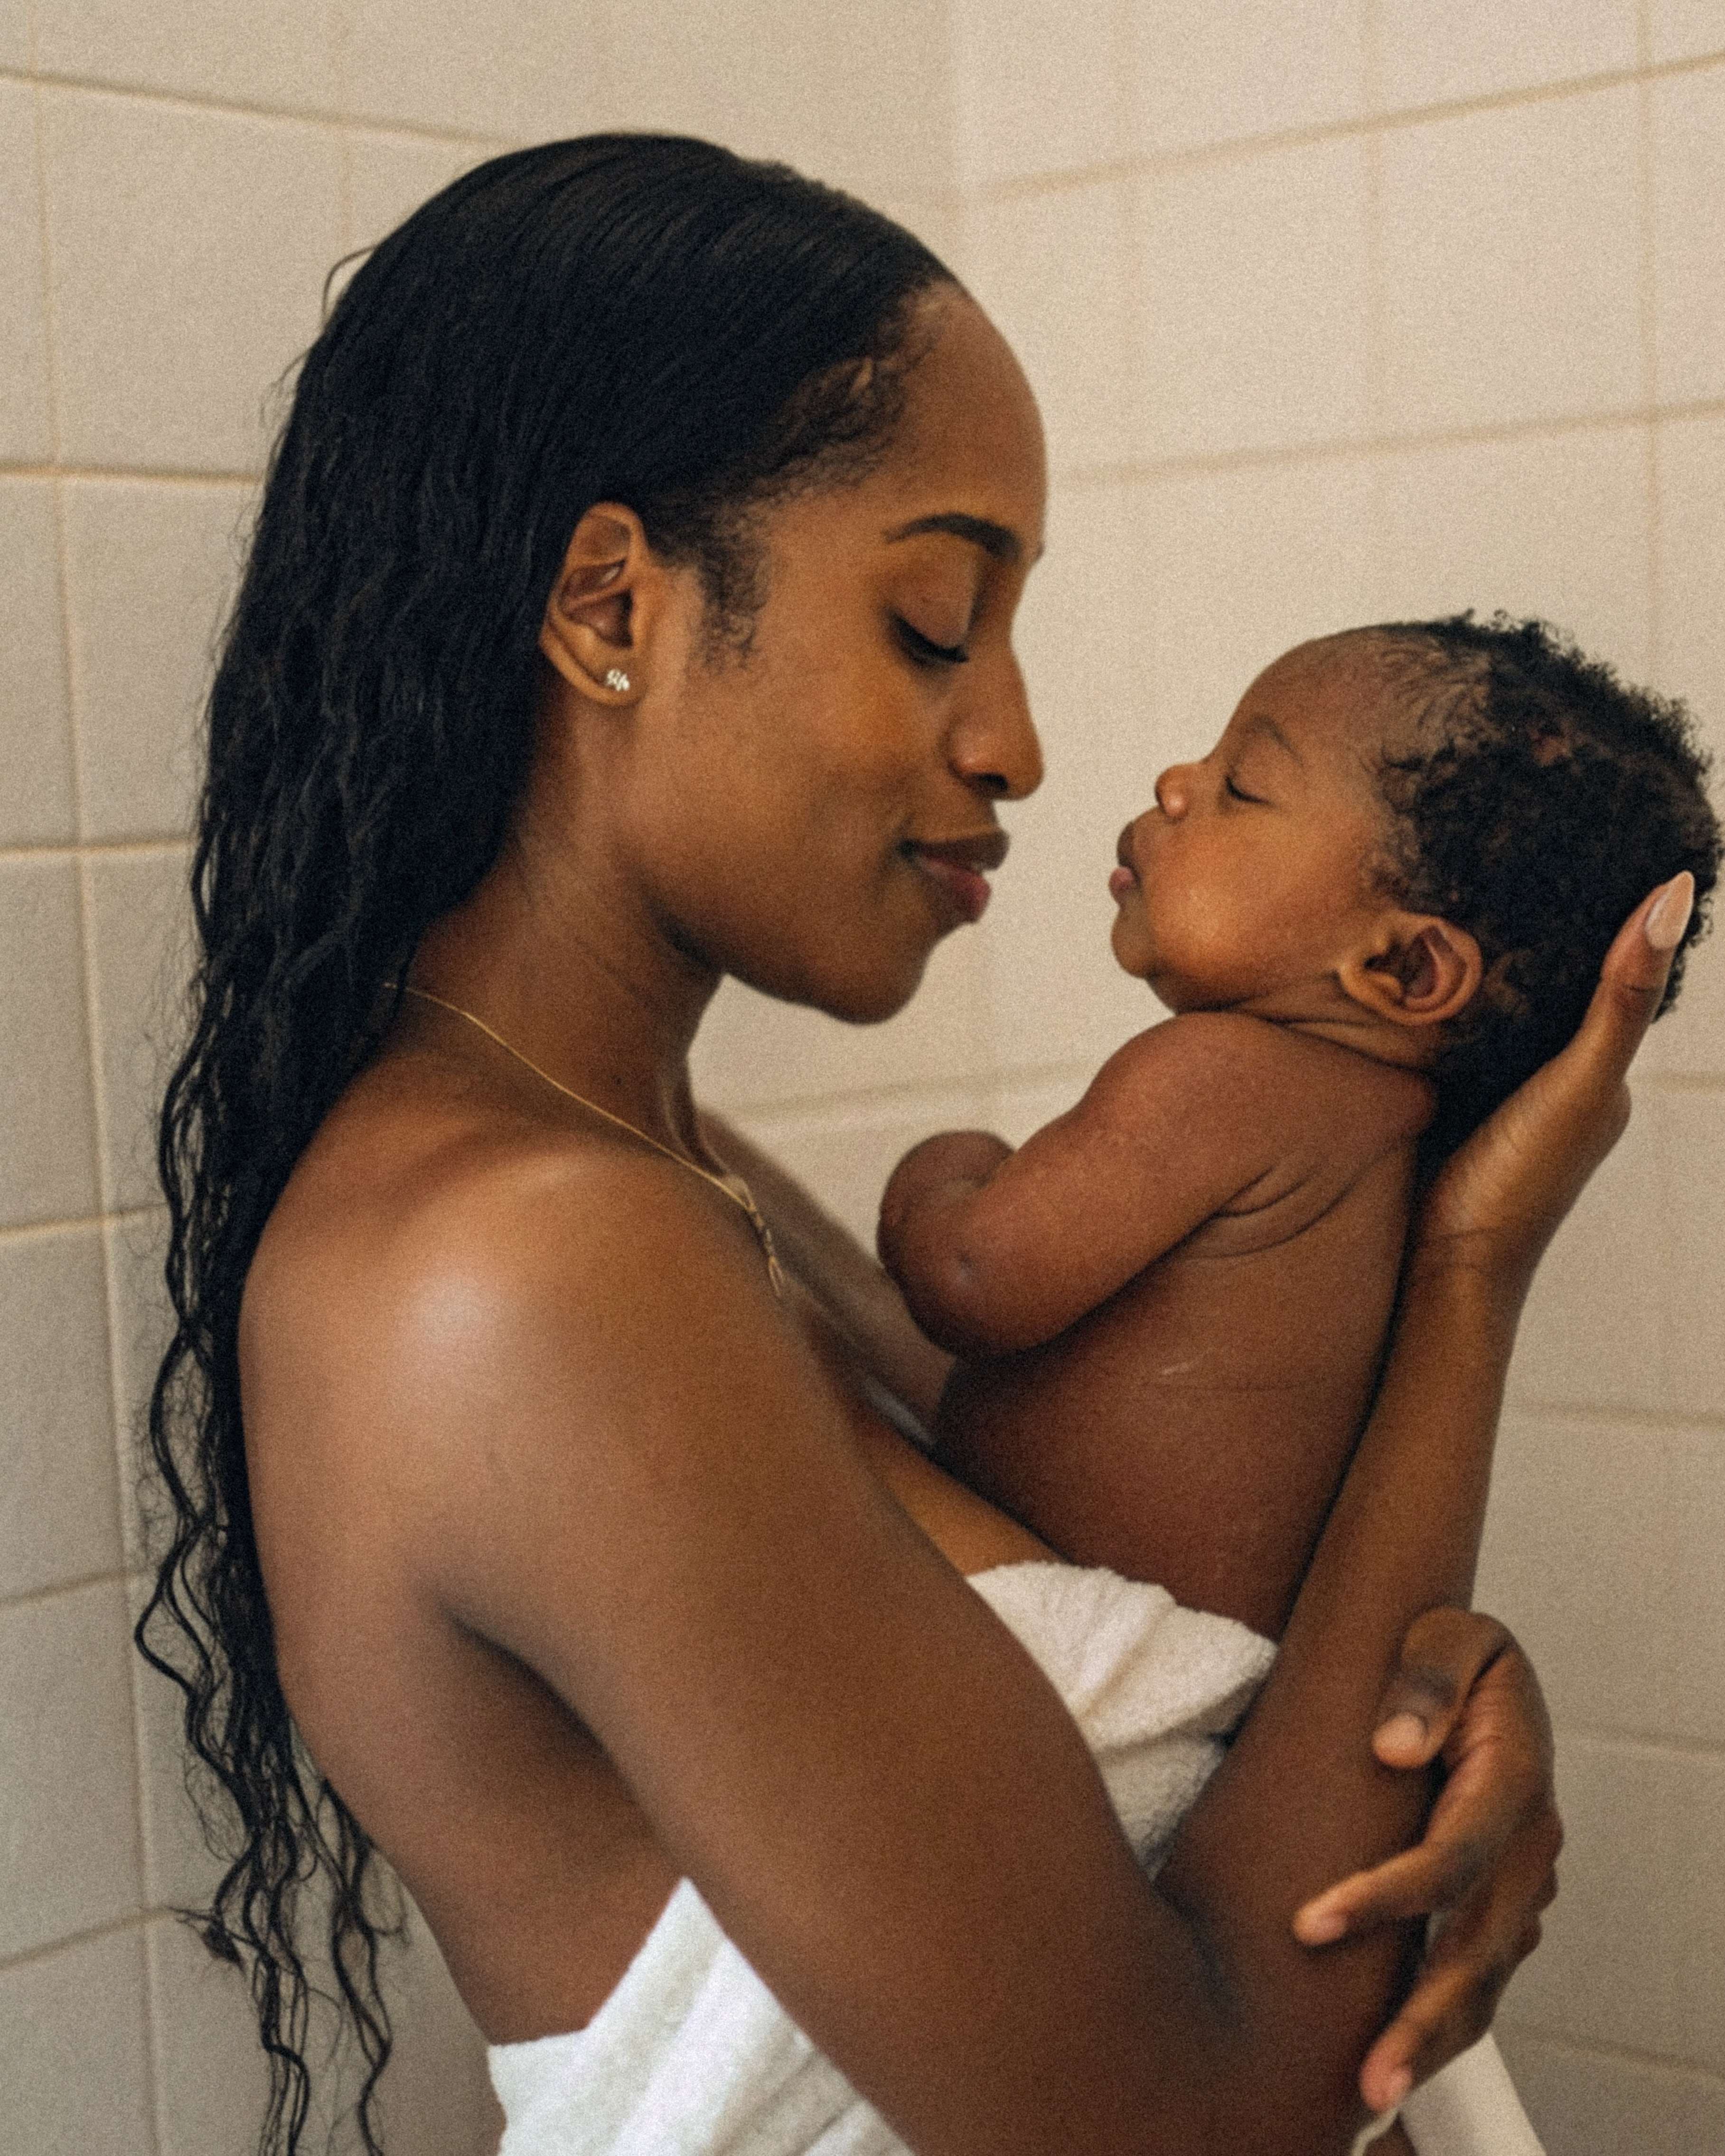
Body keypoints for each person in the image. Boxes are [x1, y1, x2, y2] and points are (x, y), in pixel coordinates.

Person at [134, 135, 1667, 2156]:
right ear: (610, 606)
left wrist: (1407, 1705)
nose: (1018, 740)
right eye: (937, 621)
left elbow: (1122, 1656)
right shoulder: (525, 1265)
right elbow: (1183, 2121)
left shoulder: (677, 1185)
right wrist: (1468, 1275)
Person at [881, 622, 1718, 1639]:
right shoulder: (1399, 1150)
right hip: (1207, 1674)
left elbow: (972, 1282)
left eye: (1242, 786)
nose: (1176, 781)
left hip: (1072, 1655)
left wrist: (945, 1168)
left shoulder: (1222, 1076)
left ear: (1405, 971)